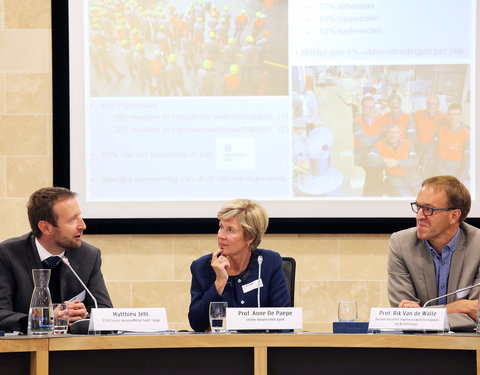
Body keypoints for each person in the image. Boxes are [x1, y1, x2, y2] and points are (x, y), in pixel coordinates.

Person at [0, 187, 113, 333]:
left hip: (73, 352)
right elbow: (1, 314)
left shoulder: (88, 255)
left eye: (79, 216)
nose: (82, 225)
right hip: (23, 351)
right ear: (46, 228)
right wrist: (43, 319)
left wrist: (84, 315)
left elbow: (104, 311)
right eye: (72, 220)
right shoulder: (8, 254)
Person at [387, 176, 480, 331]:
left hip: (469, 347)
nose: (419, 216)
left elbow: (476, 313)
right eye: (418, 207)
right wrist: (457, 307)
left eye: (429, 209)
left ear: (454, 216)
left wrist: (422, 314)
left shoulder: (478, 245)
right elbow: (403, 315)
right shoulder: (401, 243)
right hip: (418, 346)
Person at [188, 199, 290, 332]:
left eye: (230, 230)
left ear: (250, 237)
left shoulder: (269, 263)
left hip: (261, 348)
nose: (221, 236)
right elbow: (197, 324)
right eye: (221, 227)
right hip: (221, 350)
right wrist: (219, 283)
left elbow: (284, 322)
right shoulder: (202, 267)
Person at [366, 122, 420, 197]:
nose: (393, 135)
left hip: (413, 179)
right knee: (407, 200)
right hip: (396, 181)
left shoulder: (408, 144)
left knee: (425, 199)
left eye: (396, 133)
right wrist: (384, 160)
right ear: (386, 133)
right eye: (390, 132)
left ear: (400, 133)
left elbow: (415, 161)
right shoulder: (379, 145)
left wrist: (398, 162)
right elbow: (368, 159)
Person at [352, 96, 384, 196]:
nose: (371, 110)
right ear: (362, 108)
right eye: (367, 107)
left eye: (372, 107)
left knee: (376, 174)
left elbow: (384, 139)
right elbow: (364, 142)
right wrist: (379, 135)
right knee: (374, 172)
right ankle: (371, 197)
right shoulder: (357, 122)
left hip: (377, 153)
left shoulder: (380, 119)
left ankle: (372, 197)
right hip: (362, 154)